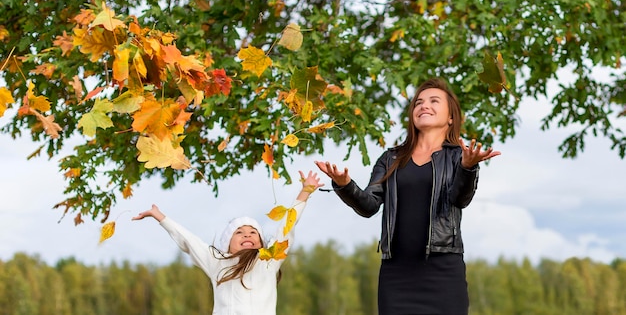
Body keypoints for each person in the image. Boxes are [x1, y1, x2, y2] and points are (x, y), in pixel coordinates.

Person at [315, 77, 501, 315]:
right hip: (396, 275)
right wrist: (344, 184)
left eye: (434, 101)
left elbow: (460, 199)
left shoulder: (459, 157)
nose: (424, 106)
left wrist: (468, 167)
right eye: (418, 102)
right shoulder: (391, 158)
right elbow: (369, 206)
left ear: (451, 117)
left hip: (443, 271)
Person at [132, 170, 323, 315]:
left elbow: (286, 227)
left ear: (261, 243)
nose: (247, 235)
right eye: (239, 232)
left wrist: (305, 192)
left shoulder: (269, 260)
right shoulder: (217, 262)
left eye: (253, 232)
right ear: (227, 244)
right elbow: (189, 241)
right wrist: (160, 217)